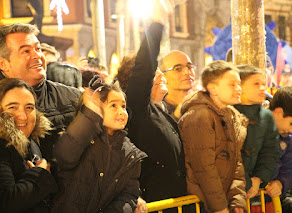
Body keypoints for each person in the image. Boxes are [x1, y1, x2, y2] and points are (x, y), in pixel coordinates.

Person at [118, 2, 192, 211]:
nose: (160, 75)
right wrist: (156, 26)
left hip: (180, 202)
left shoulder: (163, 111)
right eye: (154, 72)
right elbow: (144, 69)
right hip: (158, 205)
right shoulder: (137, 110)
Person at [52, 82, 147, 213]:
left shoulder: (130, 154)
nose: (121, 112)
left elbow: (129, 194)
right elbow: (65, 155)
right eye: (113, 105)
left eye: (123, 106)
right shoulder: (82, 139)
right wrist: (90, 117)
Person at [0, 23, 81, 165]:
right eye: (26, 51)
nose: (37, 55)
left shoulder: (72, 98)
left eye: (38, 49)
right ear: (4, 64)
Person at [178, 60, 248, 213]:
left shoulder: (232, 116)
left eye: (239, 84)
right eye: (232, 85)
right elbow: (204, 168)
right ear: (213, 89)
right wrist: (220, 207)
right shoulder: (199, 116)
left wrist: (237, 200)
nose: (239, 89)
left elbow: (236, 162)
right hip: (202, 204)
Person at [251, 86, 292, 213]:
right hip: (245, 199)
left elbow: (288, 167)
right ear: (278, 112)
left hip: (269, 200)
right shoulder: (253, 125)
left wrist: (281, 183)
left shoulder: (290, 136)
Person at [0, 78, 57, 212]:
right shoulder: (2, 147)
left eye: (29, 107)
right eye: (12, 107)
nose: (23, 116)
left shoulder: (32, 141)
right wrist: (40, 174)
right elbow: (7, 202)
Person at [234, 65, 279, 199]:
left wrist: (258, 179)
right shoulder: (226, 112)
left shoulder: (266, 116)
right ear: (240, 86)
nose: (262, 88)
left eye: (263, 84)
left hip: (255, 191)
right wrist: (245, 183)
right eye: (256, 84)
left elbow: (270, 152)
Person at [158, 50, 195, 120]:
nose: (187, 72)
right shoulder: (157, 109)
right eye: (178, 69)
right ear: (163, 77)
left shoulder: (204, 102)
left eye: (189, 67)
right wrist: (177, 115)